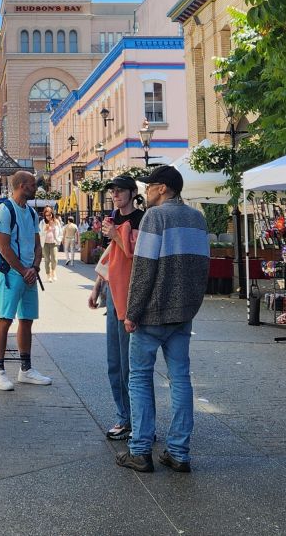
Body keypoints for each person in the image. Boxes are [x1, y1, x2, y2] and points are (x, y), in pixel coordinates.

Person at [117, 165, 209, 473]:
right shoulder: (197, 218)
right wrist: (191, 304)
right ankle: (179, 452)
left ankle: (140, 450)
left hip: (152, 313)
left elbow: (144, 269)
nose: (145, 190)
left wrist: (132, 312)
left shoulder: (155, 217)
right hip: (183, 313)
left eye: (150, 185)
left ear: (163, 188)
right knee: (180, 378)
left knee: (140, 377)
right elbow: (203, 267)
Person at [88, 174, 143, 441]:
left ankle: (137, 421)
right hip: (113, 291)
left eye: (120, 190)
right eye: (113, 191)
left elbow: (138, 255)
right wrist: (97, 286)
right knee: (114, 362)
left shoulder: (141, 219)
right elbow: (111, 255)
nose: (115, 194)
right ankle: (124, 417)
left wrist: (115, 235)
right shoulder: (113, 218)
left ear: (133, 193)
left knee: (129, 364)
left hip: (131, 293)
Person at [0, 171, 52, 390]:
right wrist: (25, 270)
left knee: (26, 320)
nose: (36, 188)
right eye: (33, 185)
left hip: (27, 273)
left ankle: (25, 369)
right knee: (4, 320)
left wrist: (34, 267)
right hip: (11, 274)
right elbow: (3, 247)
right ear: (22, 185)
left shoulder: (31, 213)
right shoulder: (4, 210)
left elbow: (37, 244)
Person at [40, 206, 61, 283]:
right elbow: (40, 233)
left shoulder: (56, 222)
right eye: (46, 215)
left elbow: (60, 232)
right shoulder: (42, 222)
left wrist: (59, 240)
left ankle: (53, 271)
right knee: (47, 260)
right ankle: (48, 275)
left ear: (52, 214)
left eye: (49, 215)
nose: (48, 216)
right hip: (45, 243)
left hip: (54, 243)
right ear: (44, 215)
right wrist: (45, 229)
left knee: (54, 259)